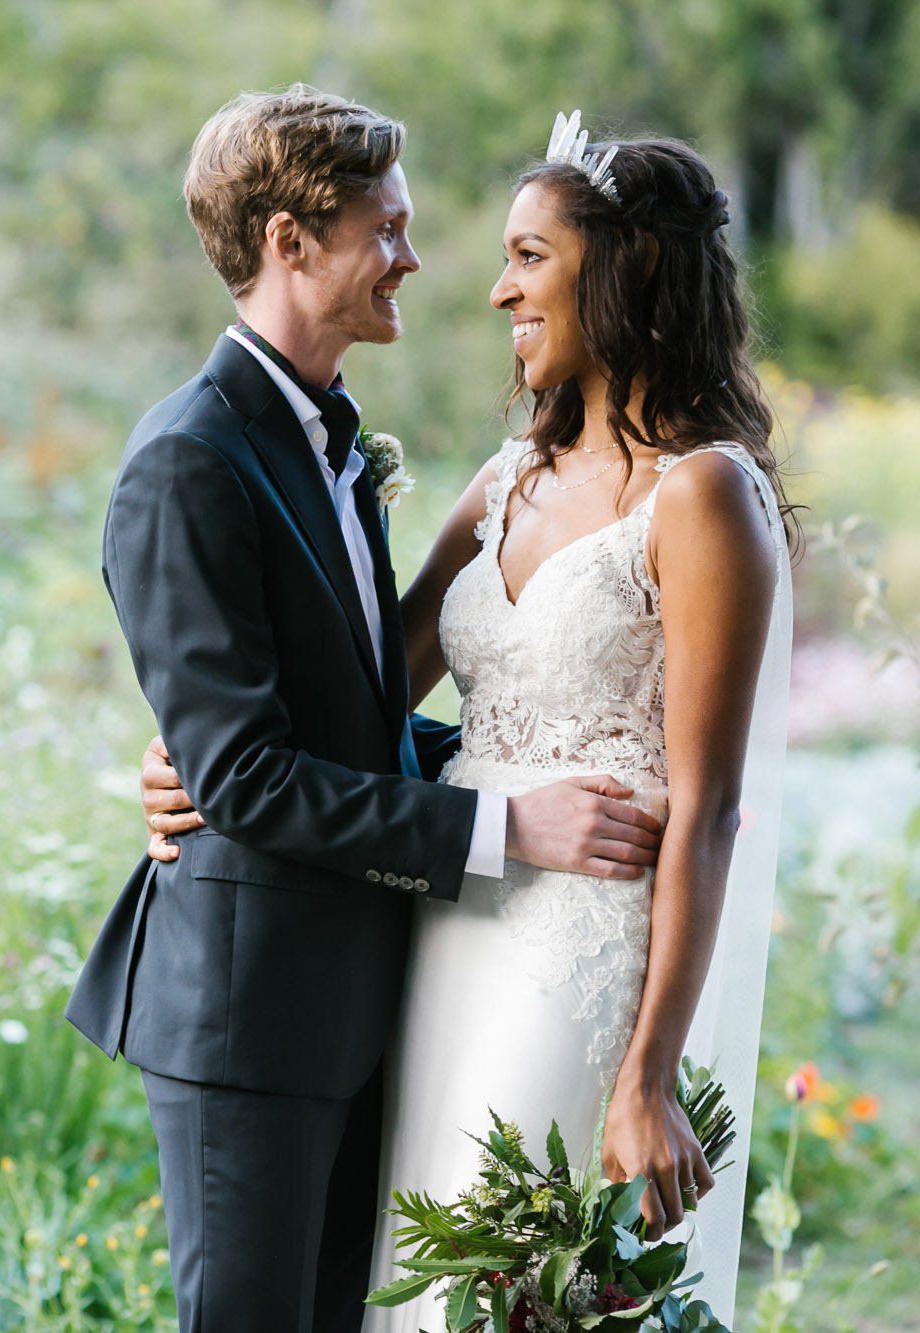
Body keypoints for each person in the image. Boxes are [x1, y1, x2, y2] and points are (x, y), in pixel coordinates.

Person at [137, 113, 795, 1329]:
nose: (494, 289)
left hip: (578, 953)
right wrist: (205, 757)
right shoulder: (503, 482)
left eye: (527, 257)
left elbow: (707, 810)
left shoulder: (704, 495)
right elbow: (364, 695)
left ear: (624, 268)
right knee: (414, 1277)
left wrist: (646, 1074)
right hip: (436, 944)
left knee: (514, 1289)